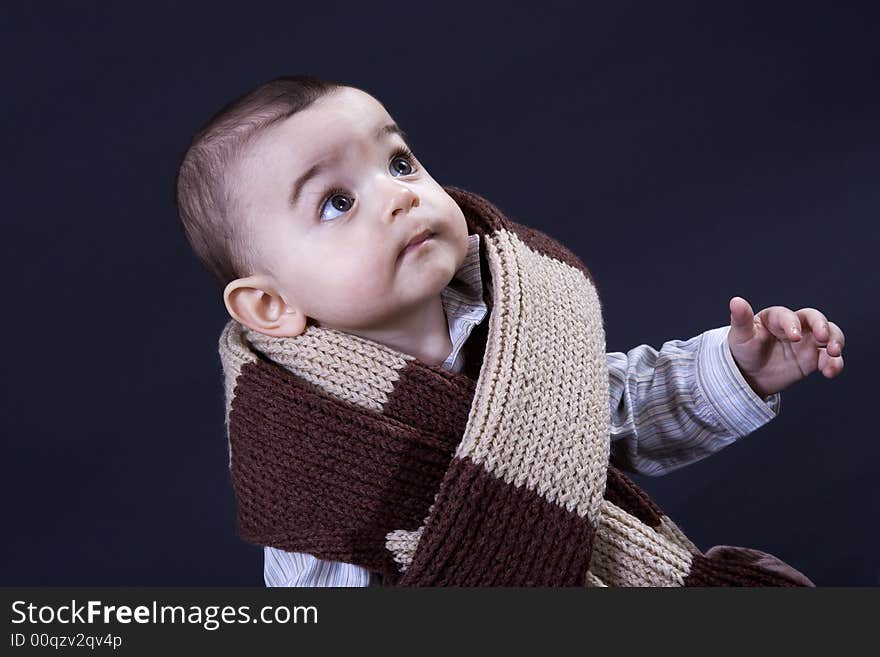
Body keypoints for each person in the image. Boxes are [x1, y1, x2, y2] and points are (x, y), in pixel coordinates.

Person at [175, 75, 845, 586]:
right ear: (269, 305)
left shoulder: (523, 320)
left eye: (399, 161)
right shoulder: (309, 464)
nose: (398, 194)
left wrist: (739, 367)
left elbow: (617, 412)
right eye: (338, 201)